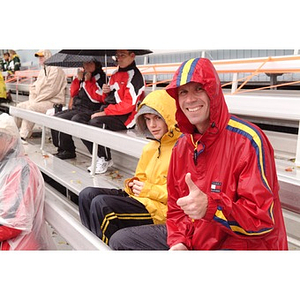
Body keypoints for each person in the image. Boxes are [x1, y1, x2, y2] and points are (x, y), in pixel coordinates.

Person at [164, 57, 288, 250]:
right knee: (123, 240)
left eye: (199, 88)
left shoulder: (248, 140)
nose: (190, 99)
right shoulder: (181, 146)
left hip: (247, 245)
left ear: (213, 92)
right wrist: (179, 242)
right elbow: (175, 208)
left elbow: (261, 219)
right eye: (183, 92)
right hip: (197, 241)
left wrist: (210, 207)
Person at [78, 89, 181, 245]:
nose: (152, 125)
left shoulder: (182, 149)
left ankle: (102, 249)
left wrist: (147, 189)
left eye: (157, 118)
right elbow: (141, 177)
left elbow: (181, 195)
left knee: (103, 205)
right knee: (87, 194)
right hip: (143, 199)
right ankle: (91, 245)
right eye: (147, 119)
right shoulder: (150, 147)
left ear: (170, 117)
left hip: (161, 209)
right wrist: (133, 184)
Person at [79, 50, 146, 174]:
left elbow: (128, 105)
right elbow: (107, 98)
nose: (119, 59)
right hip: (110, 111)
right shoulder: (115, 73)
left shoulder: (136, 77)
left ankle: (105, 158)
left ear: (132, 56)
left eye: (123, 55)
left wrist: (105, 112)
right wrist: (105, 91)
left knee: (95, 123)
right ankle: (99, 156)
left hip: (127, 117)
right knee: (78, 121)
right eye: (117, 56)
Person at [0, 113, 55, 250]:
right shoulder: (5, 164)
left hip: (16, 245)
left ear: (11, 140)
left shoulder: (22, 170)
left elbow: (14, 224)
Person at [51, 59, 107, 159]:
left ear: (97, 64)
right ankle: (62, 149)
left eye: (90, 63)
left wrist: (88, 82)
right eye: (85, 63)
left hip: (91, 109)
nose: (86, 65)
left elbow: (98, 98)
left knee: (64, 119)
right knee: (55, 118)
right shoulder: (83, 76)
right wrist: (78, 79)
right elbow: (73, 93)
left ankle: (68, 150)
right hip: (78, 108)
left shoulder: (101, 78)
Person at [14, 50, 67, 142]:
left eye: (42, 57)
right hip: (41, 100)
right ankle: (13, 134)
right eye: (39, 57)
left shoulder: (56, 70)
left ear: (47, 57)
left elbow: (51, 90)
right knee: (19, 107)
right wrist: (35, 97)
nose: (40, 59)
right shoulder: (43, 71)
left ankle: (22, 137)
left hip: (53, 102)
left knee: (31, 108)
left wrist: (36, 98)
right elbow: (34, 87)